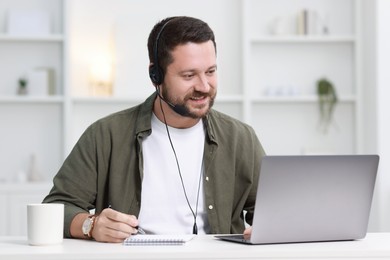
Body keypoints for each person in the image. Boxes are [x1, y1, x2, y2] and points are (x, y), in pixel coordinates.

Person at [43, 16, 265, 243]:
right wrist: (91, 225)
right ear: (155, 76)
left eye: (210, 71)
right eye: (189, 75)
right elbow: (55, 208)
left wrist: (266, 230)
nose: (204, 86)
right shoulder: (105, 135)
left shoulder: (241, 138)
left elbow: (272, 212)